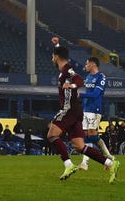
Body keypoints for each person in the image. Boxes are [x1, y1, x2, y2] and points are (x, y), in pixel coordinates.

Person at [46, 43, 119, 183]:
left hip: (69, 110)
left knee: (51, 134)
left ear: (56, 57)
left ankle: (68, 165)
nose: (52, 58)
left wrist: (72, 85)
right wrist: (56, 43)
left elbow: (79, 80)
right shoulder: (64, 70)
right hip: (77, 112)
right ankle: (111, 163)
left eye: (52, 56)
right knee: (80, 146)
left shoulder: (67, 69)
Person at [78, 57, 114, 171]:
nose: (85, 66)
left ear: (93, 64)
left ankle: (108, 158)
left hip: (95, 109)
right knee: (86, 136)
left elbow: (95, 94)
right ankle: (85, 163)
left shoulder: (101, 77)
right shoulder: (88, 77)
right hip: (86, 109)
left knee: (92, 136)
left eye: (87, 64)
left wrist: (81, 95)